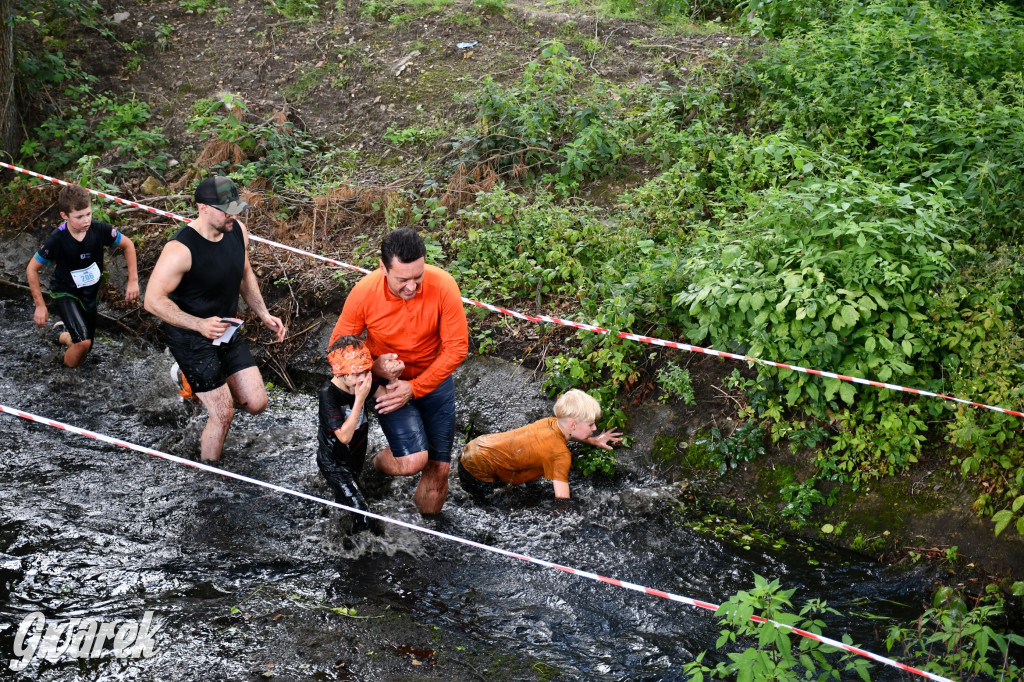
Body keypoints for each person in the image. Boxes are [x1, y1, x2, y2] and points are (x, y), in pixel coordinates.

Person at [144, 176, 286, 462]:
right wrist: (199, 324)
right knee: (223, 414)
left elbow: (244, 273)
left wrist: (263, 313)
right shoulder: (180, 250)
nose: (233, 215)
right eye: (225, 209)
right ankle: (210, 477)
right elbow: (152, 300)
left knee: (256, 402)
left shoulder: (237, 231)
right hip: (189, 336)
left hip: (225, 329)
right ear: (203, 208)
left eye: (235, 208)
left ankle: (189, 380)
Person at [328, 227, 468, 515]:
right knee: (413, 461)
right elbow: (338, 349)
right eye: (403, 279)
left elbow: (456, 348)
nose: (412, 287)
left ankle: (428, 539)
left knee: (439, 468)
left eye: (418, 277)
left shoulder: (443, 285)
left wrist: (415, 388)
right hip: (388, 385)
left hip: (434, 379)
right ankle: (375, 466)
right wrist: (373, 367)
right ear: (383, 268)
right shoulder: (364, 292)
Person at [26, 184, 139, 368]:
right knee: (82, 343)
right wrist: (40, 305)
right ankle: (64, 377)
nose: (86, 220)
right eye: (79, 217)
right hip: (65, 293)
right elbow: (32, 268)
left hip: (89, 294)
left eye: (88, 214)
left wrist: (133, 280)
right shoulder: (57, 239)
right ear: (65, 216)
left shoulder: (99, 230)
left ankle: (60, 334)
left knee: (86, 346)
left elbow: (128, 245)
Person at [458, 389, 623, 500]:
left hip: (477, 445)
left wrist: (595, 440)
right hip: (477, 468)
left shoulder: (551, 422)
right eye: (590, 425)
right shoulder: (560, 455)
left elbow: (569, 434)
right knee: (489, 505)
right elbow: (561, 498)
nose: (595, 428)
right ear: (572, 425)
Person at [317, 336, 384, 534]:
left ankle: (343, 532)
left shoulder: (361, 382)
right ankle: (357, 557)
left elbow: (389, 396)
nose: (362, 378)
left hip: (354, 460)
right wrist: (360, 400)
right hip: (334, 464)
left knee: (344, 503)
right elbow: (344, 437)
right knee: (363, 515)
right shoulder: (328, 394)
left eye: (365, 371)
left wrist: (396, 378)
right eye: (355, 374)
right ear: (340, 372)